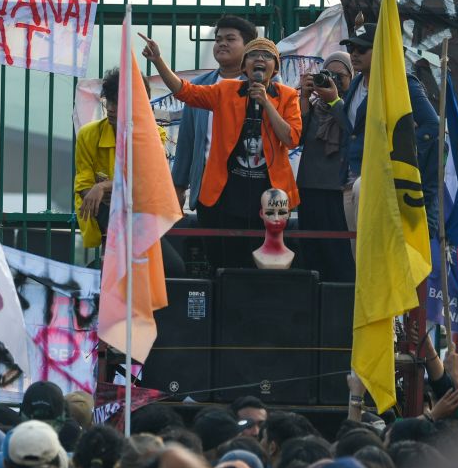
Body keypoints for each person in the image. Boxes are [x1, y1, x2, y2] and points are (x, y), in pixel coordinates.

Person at [143, 34, 301, 271]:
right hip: (225, 194)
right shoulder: (225, 90)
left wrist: (266, 102)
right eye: (254, 55)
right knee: (225, 261)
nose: (260, 59)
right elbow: (185, 92)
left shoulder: (287, 96)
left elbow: (291, 138)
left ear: (275, 67)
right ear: (244, 67)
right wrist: (158, 61)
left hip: (268, 197)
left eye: (267, 55)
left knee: (262, 265)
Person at [337, 23, 441, 243]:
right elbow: (353, 129)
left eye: (362, 49)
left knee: (377, 249)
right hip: (351, 176)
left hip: (380, 178)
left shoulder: (401, 83)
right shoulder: (356, 83)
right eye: (351, 48)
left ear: (381, 50)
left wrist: (399, 158)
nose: (354, 54)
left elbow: (432, 127)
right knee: (358, 252)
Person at [171, 15, 256, 211]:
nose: (222, 44)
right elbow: (187, 140)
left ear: (249, 46)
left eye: (230, 39)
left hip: (250, 187)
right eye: (218, 40)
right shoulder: (200, 85)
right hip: (208, 190)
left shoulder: (265, 84)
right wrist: (178, 186)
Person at [296, 52, 355, 282]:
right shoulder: (314, 107)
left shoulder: (353, 106)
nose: (334, 81)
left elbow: (353, 131)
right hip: (310, 187)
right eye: (328, 75)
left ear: (352, 78)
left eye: (340, 77)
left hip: (339, 190)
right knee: (312, 249)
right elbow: (296, 137)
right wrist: (304, 98)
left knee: (339, 253)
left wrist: (334, 101)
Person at [75, 67, 119, 248]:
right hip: (106, 212)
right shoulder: (88, 134)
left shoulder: (154, 136)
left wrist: (103, 186)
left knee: (175, 267)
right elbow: (84, 187)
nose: (109, 108)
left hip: (142, 215)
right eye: (108, 101)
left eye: (116, 102)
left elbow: (145, 185)